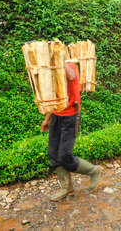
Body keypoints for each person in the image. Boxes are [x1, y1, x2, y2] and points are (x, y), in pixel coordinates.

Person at [41, 60, 100, 201]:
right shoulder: (52, 71)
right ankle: (67, 188)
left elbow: (71, 75)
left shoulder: (69, 66)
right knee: (53, 154)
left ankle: (93, 170)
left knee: (65, 155)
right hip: (57, 116)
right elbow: (54, 98)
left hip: (70, 118)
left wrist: (58, 60)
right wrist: (47, 119)